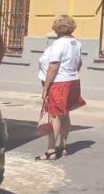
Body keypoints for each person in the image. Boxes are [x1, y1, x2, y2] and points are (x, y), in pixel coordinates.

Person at [36, 15, 86, 160]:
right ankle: (63, 147)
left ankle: (51, 150)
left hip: (58, 83)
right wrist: (70, 73)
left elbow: (53, 66)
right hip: (72, 81)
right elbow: (79, 63)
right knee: (65, 114)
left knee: (54, 116)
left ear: (57, 28)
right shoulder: (76, 43)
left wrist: (45, 88)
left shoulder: (59, 44)